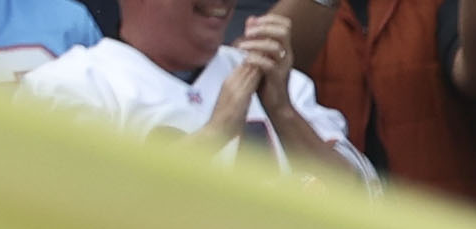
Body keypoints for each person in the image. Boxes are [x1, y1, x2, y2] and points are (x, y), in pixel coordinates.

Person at [20, 0, 369, 175]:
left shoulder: (282, 84)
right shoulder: (70, 85)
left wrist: (285, 115)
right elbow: (85, 218)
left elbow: (364, 199)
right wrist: (214, 133)